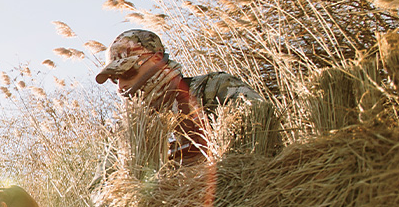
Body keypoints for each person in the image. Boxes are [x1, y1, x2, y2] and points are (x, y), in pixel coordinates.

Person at [96, 29, 281, 162]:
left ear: (157, 59)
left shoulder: (214, 89)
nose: (121, 86)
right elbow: (102, 190)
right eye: (114, 79)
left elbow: (260, 126)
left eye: (128, 73)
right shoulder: (126, 132)